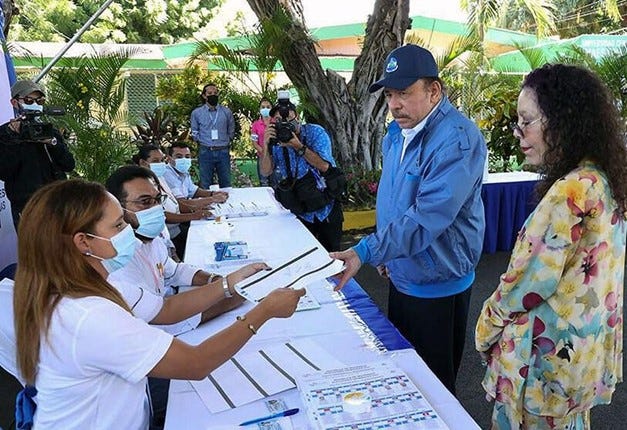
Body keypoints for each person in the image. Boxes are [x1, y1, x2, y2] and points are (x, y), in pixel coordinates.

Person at [13, 179, 304, 429]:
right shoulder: (87, 314)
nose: (131, 228)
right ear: (83, 242)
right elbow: (196, 363)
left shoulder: (79, 287)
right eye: (118, 225)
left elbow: (165, 310)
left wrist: (229, 282)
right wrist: (264, 311)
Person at [475, 64, 627, 429]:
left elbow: (525, 283)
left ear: (561, 121)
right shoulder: (603, 182)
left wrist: (485, 329)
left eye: (527, 121)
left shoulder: (570, 191)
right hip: (579, 362)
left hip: (541, 370)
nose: (518, 133)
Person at [331, 44, 486, 395]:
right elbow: (394, 200)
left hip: (438, 283)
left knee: (433, 389)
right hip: (403, 271)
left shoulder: (457, 140)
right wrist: (386, 252)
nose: (394, 104)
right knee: (404, 377)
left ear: (434, 91)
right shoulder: (397, 132)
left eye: (404, 92)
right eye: (389, 94)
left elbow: (427, 218)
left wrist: (367, 251)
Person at [260, 98, 344, 252]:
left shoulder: (315, 132)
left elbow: (325, 166)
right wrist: (265, 145)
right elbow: (266, 171)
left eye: (287, 119)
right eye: (278, 120)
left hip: (325, 207)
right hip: (299, 208)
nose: (283, 124)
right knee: (302, 258)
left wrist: (298, 146)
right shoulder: (275, 140)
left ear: (297, 118)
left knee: (332, 258)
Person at [0, 80, 75, 227]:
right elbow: (4, 171)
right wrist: (15, 137)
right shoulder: (5, 133)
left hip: (57, 202)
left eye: (39, 100)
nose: (34, 104)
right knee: (35, 249)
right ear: (14, 102)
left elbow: (69, 164)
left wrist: (52, 143)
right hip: (27, 208)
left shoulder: (49, 131)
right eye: (29, 100)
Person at [133, 144, 207, 258]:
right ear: (143, 163)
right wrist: (194, 215)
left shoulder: (159, 177)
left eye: (162, 160)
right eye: (155, 161)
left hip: (175, 230)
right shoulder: (139, 187)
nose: (161, 164)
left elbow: (176, 203)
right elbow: (162, 214)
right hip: (168, 236)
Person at [163, 141, 228, 214]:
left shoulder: (184, 172)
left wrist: (213, 193)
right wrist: (213, 199)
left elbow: (194, 191)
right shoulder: (167, 174)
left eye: (187, 156)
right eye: (179, 157)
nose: (184, 160)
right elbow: (182, 203)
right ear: (169, 158)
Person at [191, 83, 236, 188]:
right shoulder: (196, 113)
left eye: (215, 93)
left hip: (223, 151)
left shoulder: (226, 112)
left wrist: (227, 140)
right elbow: (194, 130)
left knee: (226, 182)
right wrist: (201, 141)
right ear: (204, 96)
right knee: (206, 183)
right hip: (206, 150)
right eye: (210, 93)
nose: (213, 95)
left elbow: (231, 128)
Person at [251, 97, 274, 186]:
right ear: (260, 109)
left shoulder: (276, 122)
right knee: (264, 182)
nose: (265, 109)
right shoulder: (255, 125)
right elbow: (254, 142)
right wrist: (264, 152)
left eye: (268, 107)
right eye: (263, 107)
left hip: (275, 157)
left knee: (276, 182)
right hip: (262, 157)